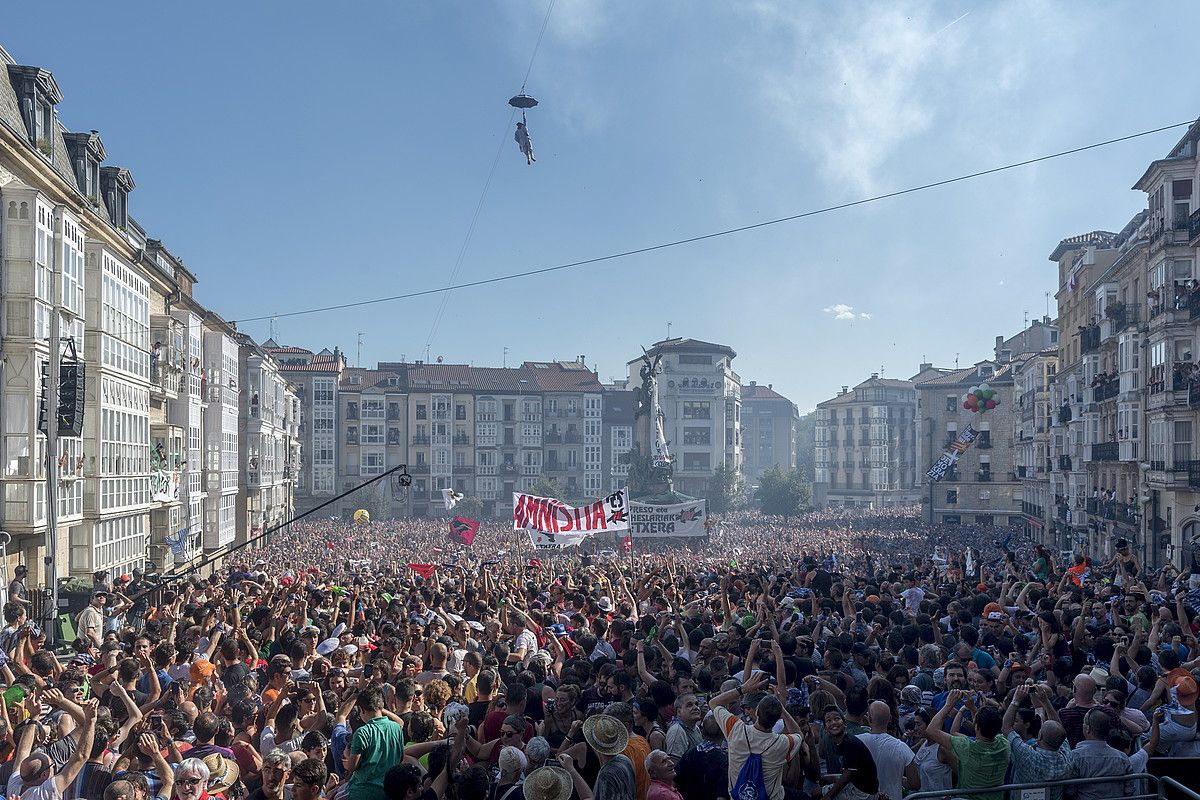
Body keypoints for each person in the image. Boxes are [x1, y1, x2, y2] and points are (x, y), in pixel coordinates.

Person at [708, 670, 806, 800]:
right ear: (778, 719)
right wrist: (781, 708)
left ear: (757, 711)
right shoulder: (783, 743)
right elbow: (798, 733)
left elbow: (714, 703)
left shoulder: (736, 729)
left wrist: (743, 688)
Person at [345, 686, 404, 800]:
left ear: (362, 710)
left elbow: (352, 766)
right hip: (392, 792)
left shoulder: (362, 732)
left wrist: (348, 755)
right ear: (381, 707)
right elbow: (400, 757)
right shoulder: (396, 728)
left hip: (363, 792)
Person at [856, 701, 918, 800]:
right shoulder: (902, 747)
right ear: (889, 719)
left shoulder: (856, 742)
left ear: (869, 718)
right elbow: (914, 783)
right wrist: (897, 778)